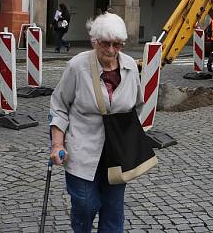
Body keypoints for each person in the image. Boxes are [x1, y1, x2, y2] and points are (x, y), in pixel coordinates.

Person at [49, 13, 143, 232]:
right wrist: (57, 144)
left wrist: (129, 140)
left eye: (117, 45)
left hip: (117, 153)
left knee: (113, 210)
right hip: (83, 148)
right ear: (94, 41)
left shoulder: (130, 67)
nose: (111, 50)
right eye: (105, 44)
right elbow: (59, 105)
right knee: (85, 204)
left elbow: (137, 106)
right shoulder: (77, 66)